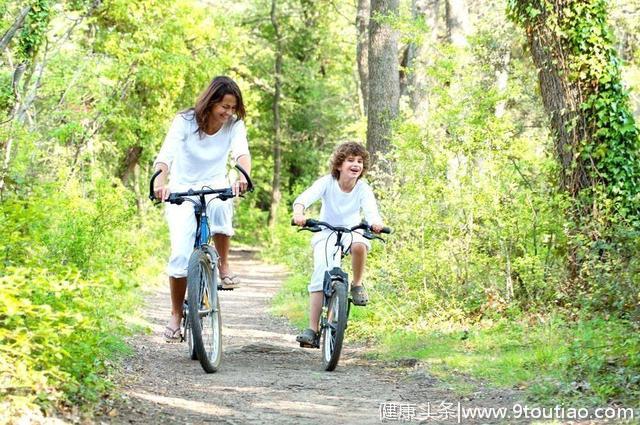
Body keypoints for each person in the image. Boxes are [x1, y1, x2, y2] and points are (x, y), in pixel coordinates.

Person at [153, 76, 251, 342]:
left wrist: (243, 176)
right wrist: (160, 183)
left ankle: (224, 265)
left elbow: (241, 153)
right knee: (180, 256)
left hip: (216, 184)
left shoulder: (234, 125)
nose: (228, 112)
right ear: (210, 102)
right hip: (182, 190)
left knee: (221, 207)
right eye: (224, 106)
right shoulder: (184, 121)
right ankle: (175, 314)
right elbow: (166, 156)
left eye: (233, 108)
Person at [291, 142, 384, 347]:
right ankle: (312, 329)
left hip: (353, 230)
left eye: (359, 161)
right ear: (339, 165)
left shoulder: (362, 188)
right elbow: (304, 198)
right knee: (319, 275)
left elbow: (371, 211)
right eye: (350, 160)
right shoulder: (327, 182)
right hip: (326, 231)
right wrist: (299, 213)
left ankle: (357, 284)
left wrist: (376, 223)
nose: (356, 164)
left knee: (360, 245)